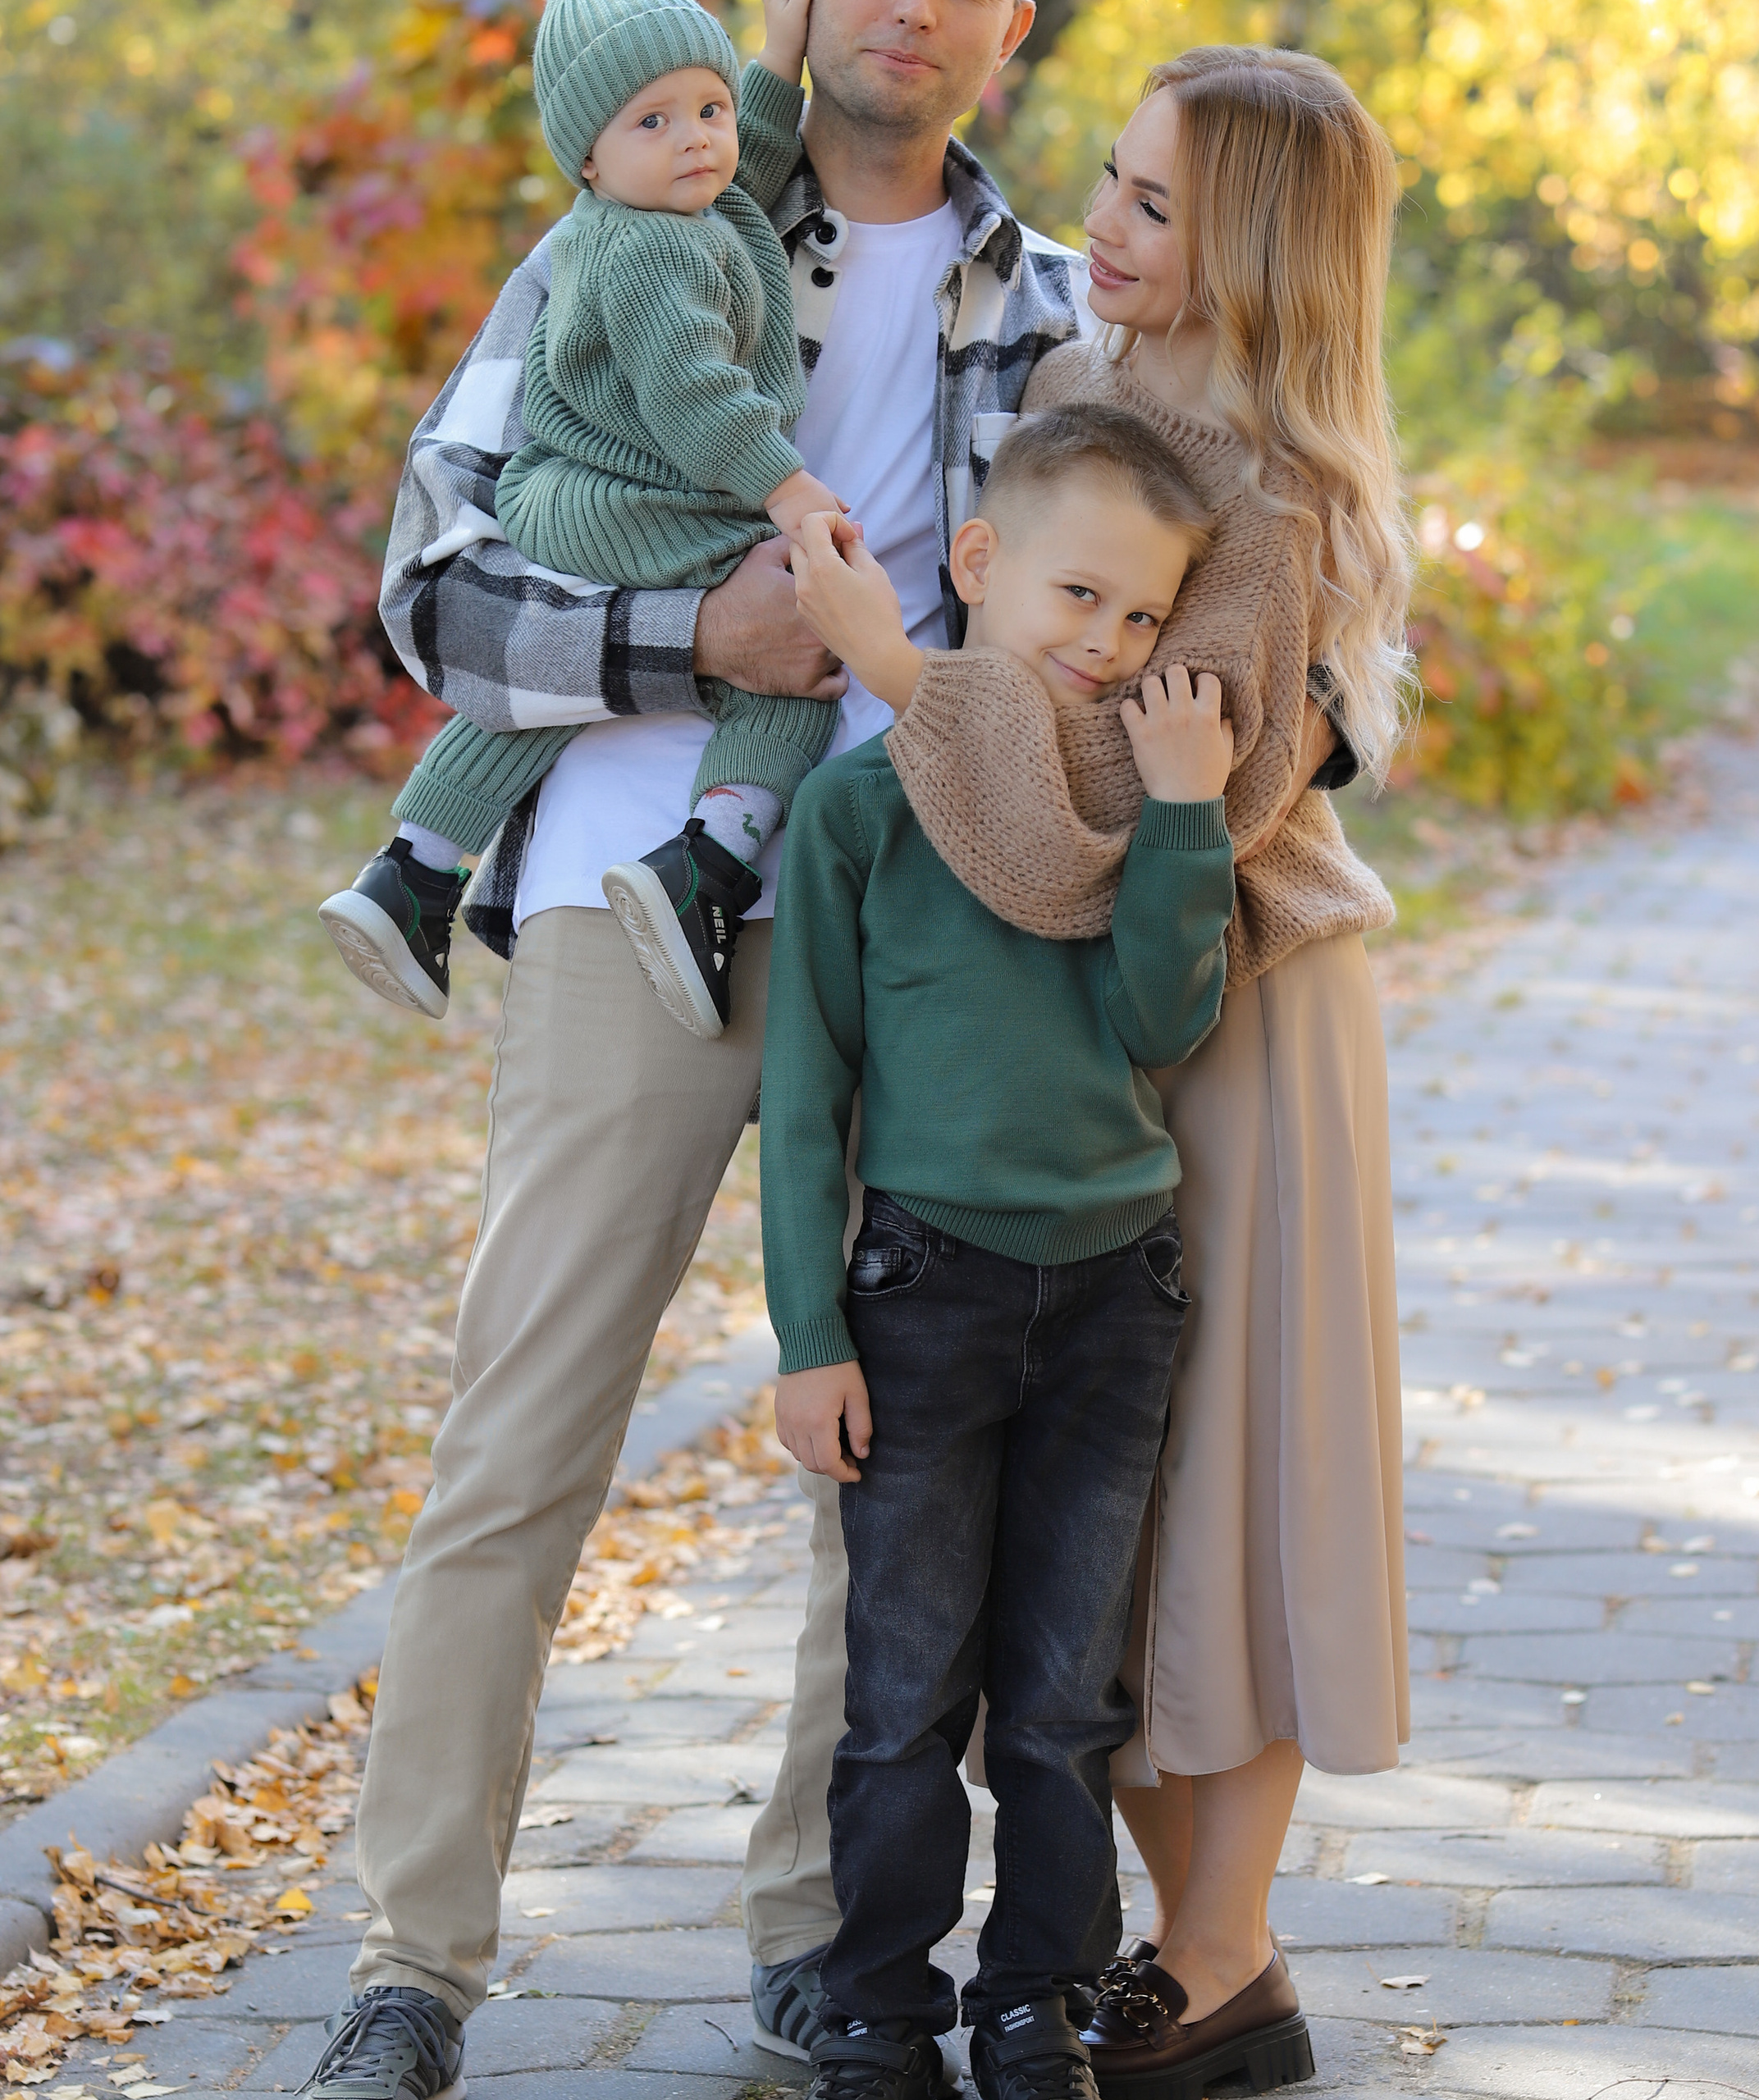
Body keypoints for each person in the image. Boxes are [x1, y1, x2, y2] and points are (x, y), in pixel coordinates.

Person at [295, 0, 1087, 2088]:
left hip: (928, 936)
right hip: (628, 896)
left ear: (1009, 22)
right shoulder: (625, 213)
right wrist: (698, 640)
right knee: (523, 1425)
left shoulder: (1064, 310)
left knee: (899, 1462)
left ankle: (828, 1941)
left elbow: (1175, 596)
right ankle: (411, 1965)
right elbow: (432, 593)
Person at [749, 43, 1413, 2100]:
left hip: (1229, 1024)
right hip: (1070, 1065)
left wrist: (883, 661)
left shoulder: (1261, 508)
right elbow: (997, 777)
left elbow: (1072, 850)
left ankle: (1216, 1957)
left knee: (1234, 1482)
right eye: (1107, 186)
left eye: (1147, 206)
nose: (1095, 231)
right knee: (1106, 1536)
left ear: (1256, 250)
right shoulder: (1070, 409)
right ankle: (1207, 1955)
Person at [763, 404, 1232, 2100]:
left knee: (1056, 1702)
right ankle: (879, 2006)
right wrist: (806, 1331)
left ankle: (1030, 1999)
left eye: (1139, 619)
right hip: (923, 1297)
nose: (1107, 647)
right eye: (1077, 598)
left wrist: (1182, 814)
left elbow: (1164, 1015)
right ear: (977, 564)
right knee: (899, 1693)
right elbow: (806, 1097)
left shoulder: (1128, 812)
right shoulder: (859, 816)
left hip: (1115, 1298)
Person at [320, 0, 844, 1041]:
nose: (697, 135)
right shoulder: (649, 251)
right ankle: (707, 867)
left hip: (588, 495)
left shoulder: (698, 204)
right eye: (653, 122)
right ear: (589, 162)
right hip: (632, 499)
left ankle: (412, 870)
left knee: (571, 689)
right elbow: (698, 401)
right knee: (799, 651)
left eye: (706, 107)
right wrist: (787, 490)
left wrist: (777, 56)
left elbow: (764, 143)